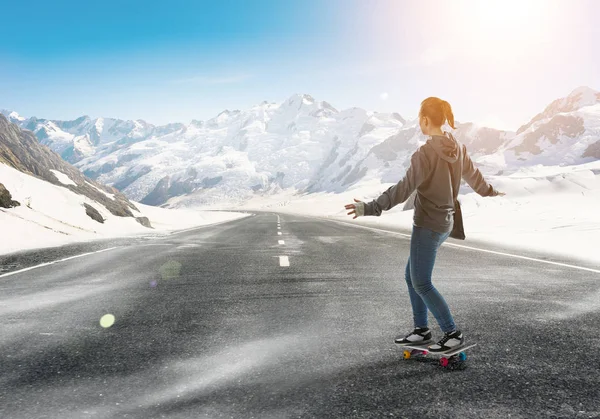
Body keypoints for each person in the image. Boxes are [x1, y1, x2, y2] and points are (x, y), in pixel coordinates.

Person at [344, 97, 505, 352]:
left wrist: (371, 207)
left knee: (422, 283)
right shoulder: (458, 148)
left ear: (426, 120)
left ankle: (453, 333)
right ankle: (421, 330)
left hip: (427, 225)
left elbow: (403, 189)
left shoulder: (426, 153)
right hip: (446, 224)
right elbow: (475, 178)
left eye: (420, 118)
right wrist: (491, 191)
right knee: (412, 277)